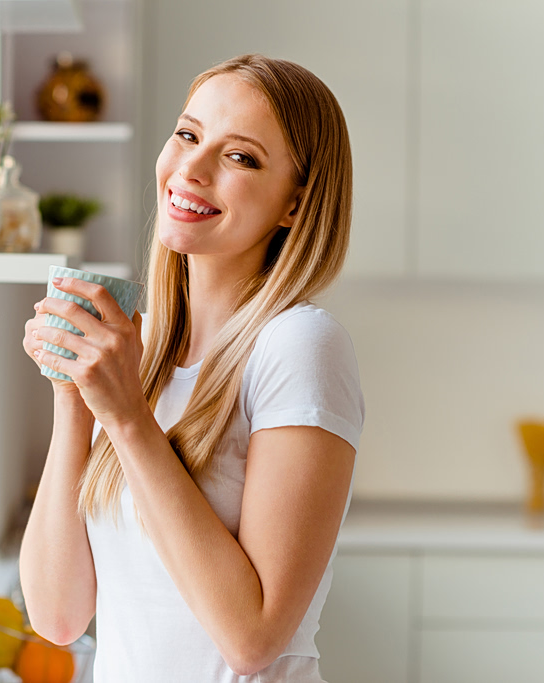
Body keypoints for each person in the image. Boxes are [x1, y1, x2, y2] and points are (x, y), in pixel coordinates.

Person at [19, 53, 364, 682]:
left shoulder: (299, 346)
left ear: (295, 203)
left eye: (240, 157)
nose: (192, 168)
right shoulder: (137, 353)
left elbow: (253, 639)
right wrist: (75, 395)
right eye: (187, 134)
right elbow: (57, 616)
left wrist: (126, 418)